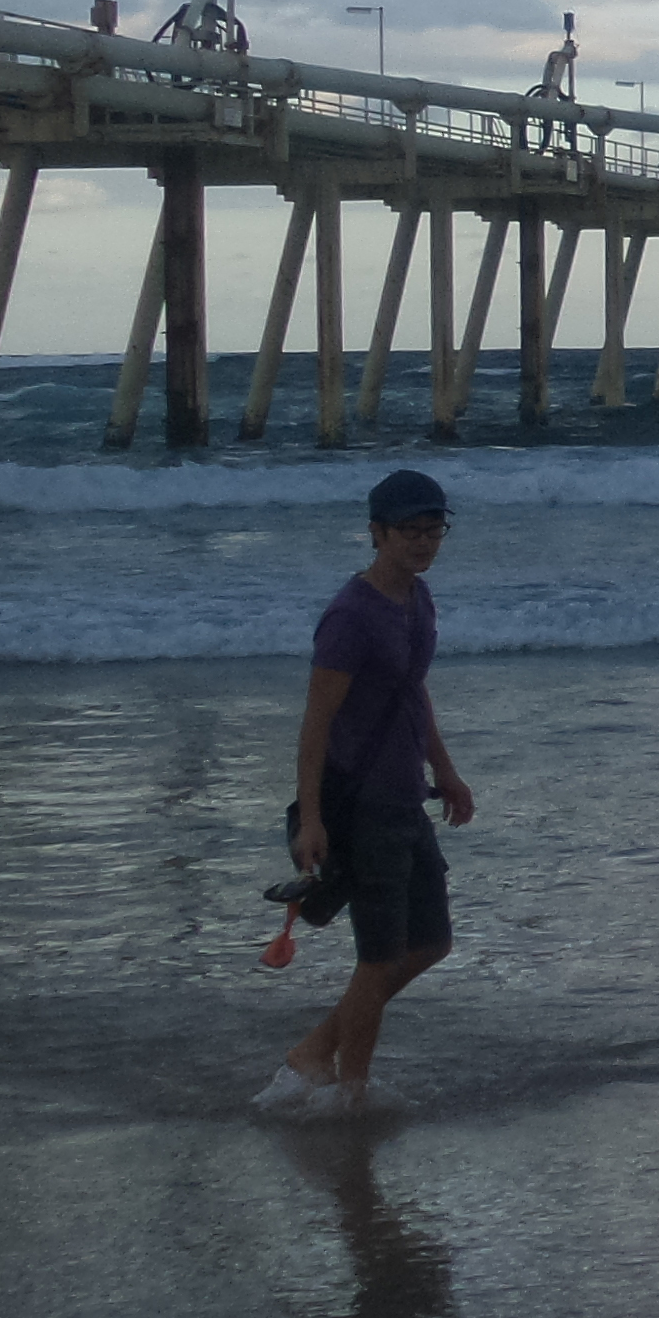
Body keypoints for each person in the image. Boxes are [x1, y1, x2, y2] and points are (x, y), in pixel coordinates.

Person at [256, 468, 474, 1112]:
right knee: (379, 959)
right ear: (376, 533)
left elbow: (413, 690)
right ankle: (351, 1093)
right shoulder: (349, 617)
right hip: (363, 806)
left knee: (431, 943)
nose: (424, 542)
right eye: (410, 530)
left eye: (434, 529)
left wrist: (447, 770)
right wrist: (313, 819)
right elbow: (315, 723)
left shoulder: (419, 599)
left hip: (407, 796)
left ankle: (315, 1053)